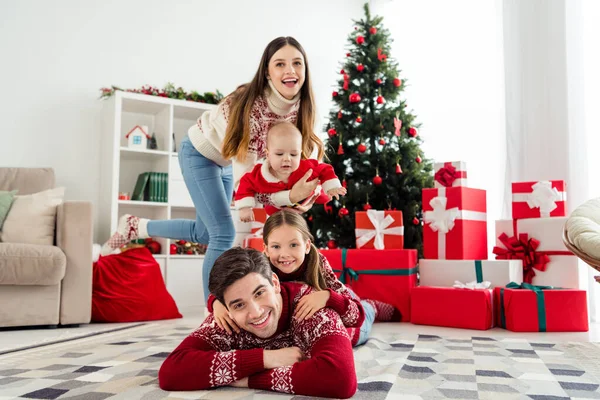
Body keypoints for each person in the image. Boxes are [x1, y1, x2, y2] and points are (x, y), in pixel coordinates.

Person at [100, 37, 324, 301]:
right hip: (199, 152)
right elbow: (249, 187)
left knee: (206, 232)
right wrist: (289, 197)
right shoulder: (252, 107)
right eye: (280, 64)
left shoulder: (303, 107)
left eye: (297, 63)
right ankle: (214, 313)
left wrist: (307, 194)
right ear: (267, 72)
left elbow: (303, 161)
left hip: (227, 159)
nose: (290, 71)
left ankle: (136, 226)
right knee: (223, 232)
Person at [158, 247, 357, 399]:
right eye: (238, 305)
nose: (255, 312)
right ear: (226, 307)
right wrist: (265, 359)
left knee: (368, 315)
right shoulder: (226, 320)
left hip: (352, 329)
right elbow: (171, 372)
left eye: (260, 293)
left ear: (276, 283)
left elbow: (340, 379)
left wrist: (249, 380)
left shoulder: (310, 308)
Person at [210, 209, 401, 346]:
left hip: (341, 313)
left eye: (293, 245)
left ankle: (372, 307)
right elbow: (231, 286)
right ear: (266, 249)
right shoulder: (260, 268)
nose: (285, 254)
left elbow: (355, 316)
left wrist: (327, 296)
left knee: (357, 328)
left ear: (307, 245)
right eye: (276, 247)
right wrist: (216, 303)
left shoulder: (317, 264)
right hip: (296, 327)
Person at [235, 121, 347, 221]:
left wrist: (331, 186)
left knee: (323, 197)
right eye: (279, 154)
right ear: (268, 155)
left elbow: (324, 168)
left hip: (307, 197)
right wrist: (244, 207)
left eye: (293, 154)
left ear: (300, 154)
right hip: (276, 206)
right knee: (273, 214)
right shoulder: (258, 175)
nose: (287, 159)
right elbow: (245, 184)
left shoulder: (305, 168)